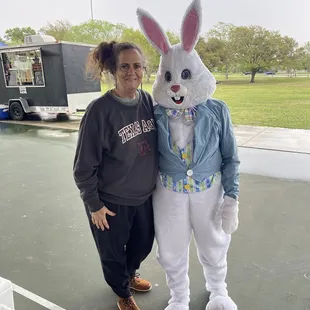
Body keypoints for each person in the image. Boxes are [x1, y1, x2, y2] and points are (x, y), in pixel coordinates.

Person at [137, 1, 240, 310]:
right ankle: (178, 297)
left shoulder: (217, 111)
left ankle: (218, 291)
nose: (176, 84)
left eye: (183, 74)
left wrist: (232, 196)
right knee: (171, 249)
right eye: (169, 77)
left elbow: (230, 157)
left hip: (210, 190)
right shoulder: (153, 113)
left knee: (214, 243)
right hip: (168, 192)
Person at [73, 41, 158, 310]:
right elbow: (83, 167)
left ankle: (131, 275)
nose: (132, 72)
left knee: (142, 245)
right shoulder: (99, 111)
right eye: (124, 66)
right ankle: (122, 292)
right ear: (113, 69)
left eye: (137, 66)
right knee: (112, 255)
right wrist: (94, 206)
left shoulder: (146, 100)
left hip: (143, 197)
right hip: (110, 202)